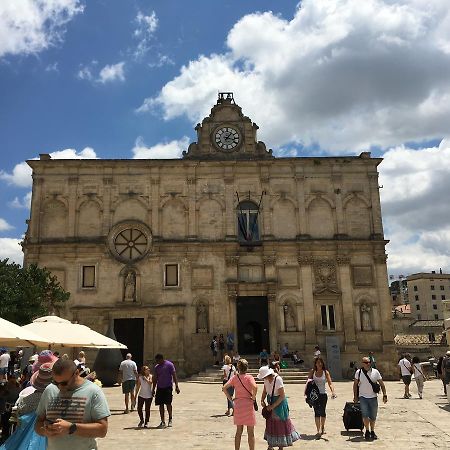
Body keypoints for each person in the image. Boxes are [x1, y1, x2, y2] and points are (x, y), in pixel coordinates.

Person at [35, 358, 110, 449]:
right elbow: (38, 423)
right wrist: (44, 431)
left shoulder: (93, 392)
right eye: (55, 382)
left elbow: (102, 430)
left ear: (76, 373)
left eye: (64, 383)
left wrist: (71, 428)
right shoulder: (49, 390)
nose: (59, 387)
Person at [258, 366, 300, 449]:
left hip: (279, 404)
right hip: (271, 402)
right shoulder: (266, 380)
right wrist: (262, 400)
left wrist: (273, 406)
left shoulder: (278, 380)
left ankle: (281, 446)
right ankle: (271, 445)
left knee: (280, 423)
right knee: (271, 423)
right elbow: (264, 391)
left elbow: (282, 396)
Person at [222, 359, 257, 450]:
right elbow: (255, 387)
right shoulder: (249, 377)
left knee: (239, 431)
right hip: (248, 405)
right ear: (247, 367)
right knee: (250, 432)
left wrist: (230, 400)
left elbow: (224, 388)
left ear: (238, 368)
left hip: (238, 405)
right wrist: (253, 397)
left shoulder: (235, 378)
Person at [353, 356, 387, 441]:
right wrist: (355, 396)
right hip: (363, 397)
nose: (368, 364)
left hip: (373, 397)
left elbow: (382, 384)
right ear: (362, 363)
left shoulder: (375, 372)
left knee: (373, 416)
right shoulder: (358, 372)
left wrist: (385, 395)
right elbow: (355, 385)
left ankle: (372, 430)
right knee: (365, 415)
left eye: (369, 362)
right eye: (366, 362)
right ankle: (367, 431)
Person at [308, 357, 336, 438]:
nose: (319, 364)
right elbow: (308, 383)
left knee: (322, 412)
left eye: (321, 362)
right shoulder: (312, 372)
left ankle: (322, 426)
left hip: (323, 395)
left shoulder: (325, 372)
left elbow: (330, 383)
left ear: (322, 363)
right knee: (316, 412)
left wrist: (333, 392)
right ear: (315, 364)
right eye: (318, 362)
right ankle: (318, 430)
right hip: (314, 395)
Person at [152, 353, 180, 429]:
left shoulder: (169, 365)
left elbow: (174, 375)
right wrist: (153, 389)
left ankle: (170, 418)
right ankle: (162, 421)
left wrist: (176, 386)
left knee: (168, 403)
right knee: (160, 405)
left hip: (168, 387)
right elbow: (155, 379)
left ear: (161, 359)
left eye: (157, 360)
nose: (157, 362)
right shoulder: (157, 367)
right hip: (160, 387)